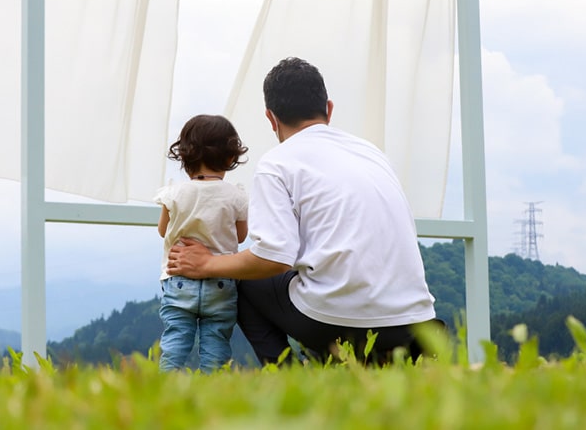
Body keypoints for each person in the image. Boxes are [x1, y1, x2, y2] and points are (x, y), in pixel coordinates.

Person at [167, 57, 439, 365]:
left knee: (242, 282)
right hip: (416, 324)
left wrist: (207, 264)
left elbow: (273, 258)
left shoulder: (277, 163)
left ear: (271, 119)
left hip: (341, 325)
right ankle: (347, 365)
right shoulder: (372, 153)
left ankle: (289, 376)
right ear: (329, 109)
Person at [155, 114, 249, 372]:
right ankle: (214, 388)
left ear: (184, 157)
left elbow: (164, 230)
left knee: (175, 339)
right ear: (231, 158)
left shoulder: (173, 193)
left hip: (178, 278)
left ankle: (166, 383)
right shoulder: (236, 196)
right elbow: (240, 236)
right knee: (216, 341)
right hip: (221, 281)